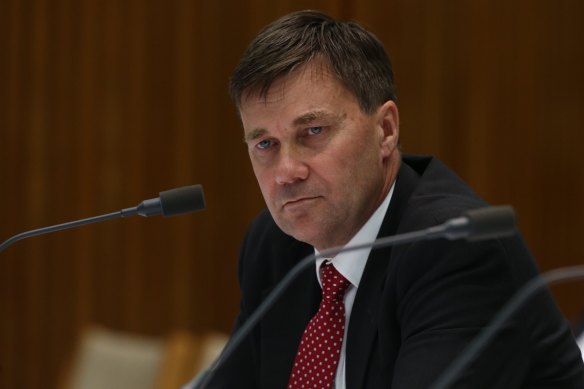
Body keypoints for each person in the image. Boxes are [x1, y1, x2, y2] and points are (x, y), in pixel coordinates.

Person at [203, 10, 584, 388]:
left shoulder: (453, 249)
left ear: (385, 130)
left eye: (313, 131)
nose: (286, 171)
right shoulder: (275, 246)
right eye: (265, 144)